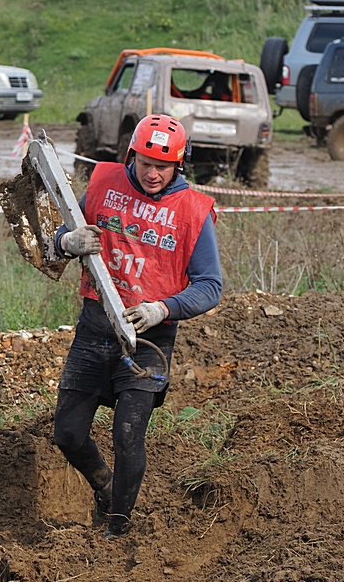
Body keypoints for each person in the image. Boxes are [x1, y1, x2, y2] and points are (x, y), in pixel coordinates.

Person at [52, 114, 221, 539]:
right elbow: (61, 233)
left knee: (127, 433)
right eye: (146, 162)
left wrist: (163, 309)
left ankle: (118, 525)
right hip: (95, 326)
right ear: (133, 155)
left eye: (163, 166)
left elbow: (210, 286)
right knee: (69, 435)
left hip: (148, 340)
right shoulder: (104, 182)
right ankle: (105, 486)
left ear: (178, 166)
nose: (153, 173)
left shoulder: (193, 212)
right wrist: (66, 242)